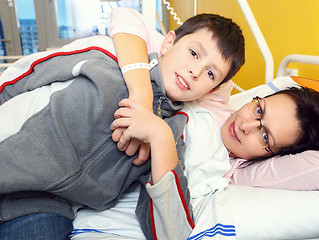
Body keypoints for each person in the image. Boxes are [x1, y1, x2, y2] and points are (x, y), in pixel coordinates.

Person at [0, 12, 245, 240]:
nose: (196, 72)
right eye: (194, 53)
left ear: (211, 90)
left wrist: (159, 136)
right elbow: (22, 79)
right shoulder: (106, 59)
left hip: (41, 210)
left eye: (211, 74)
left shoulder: (172, 135)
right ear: (169, 42)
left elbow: (173, 232)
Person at [109, 7, 319, 191]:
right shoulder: (210, 92)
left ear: (272, 156)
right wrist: (142, 99)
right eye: (259, 111)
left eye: (264, 136)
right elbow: (127, 17)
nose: (245, 126)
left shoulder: (234, 169)